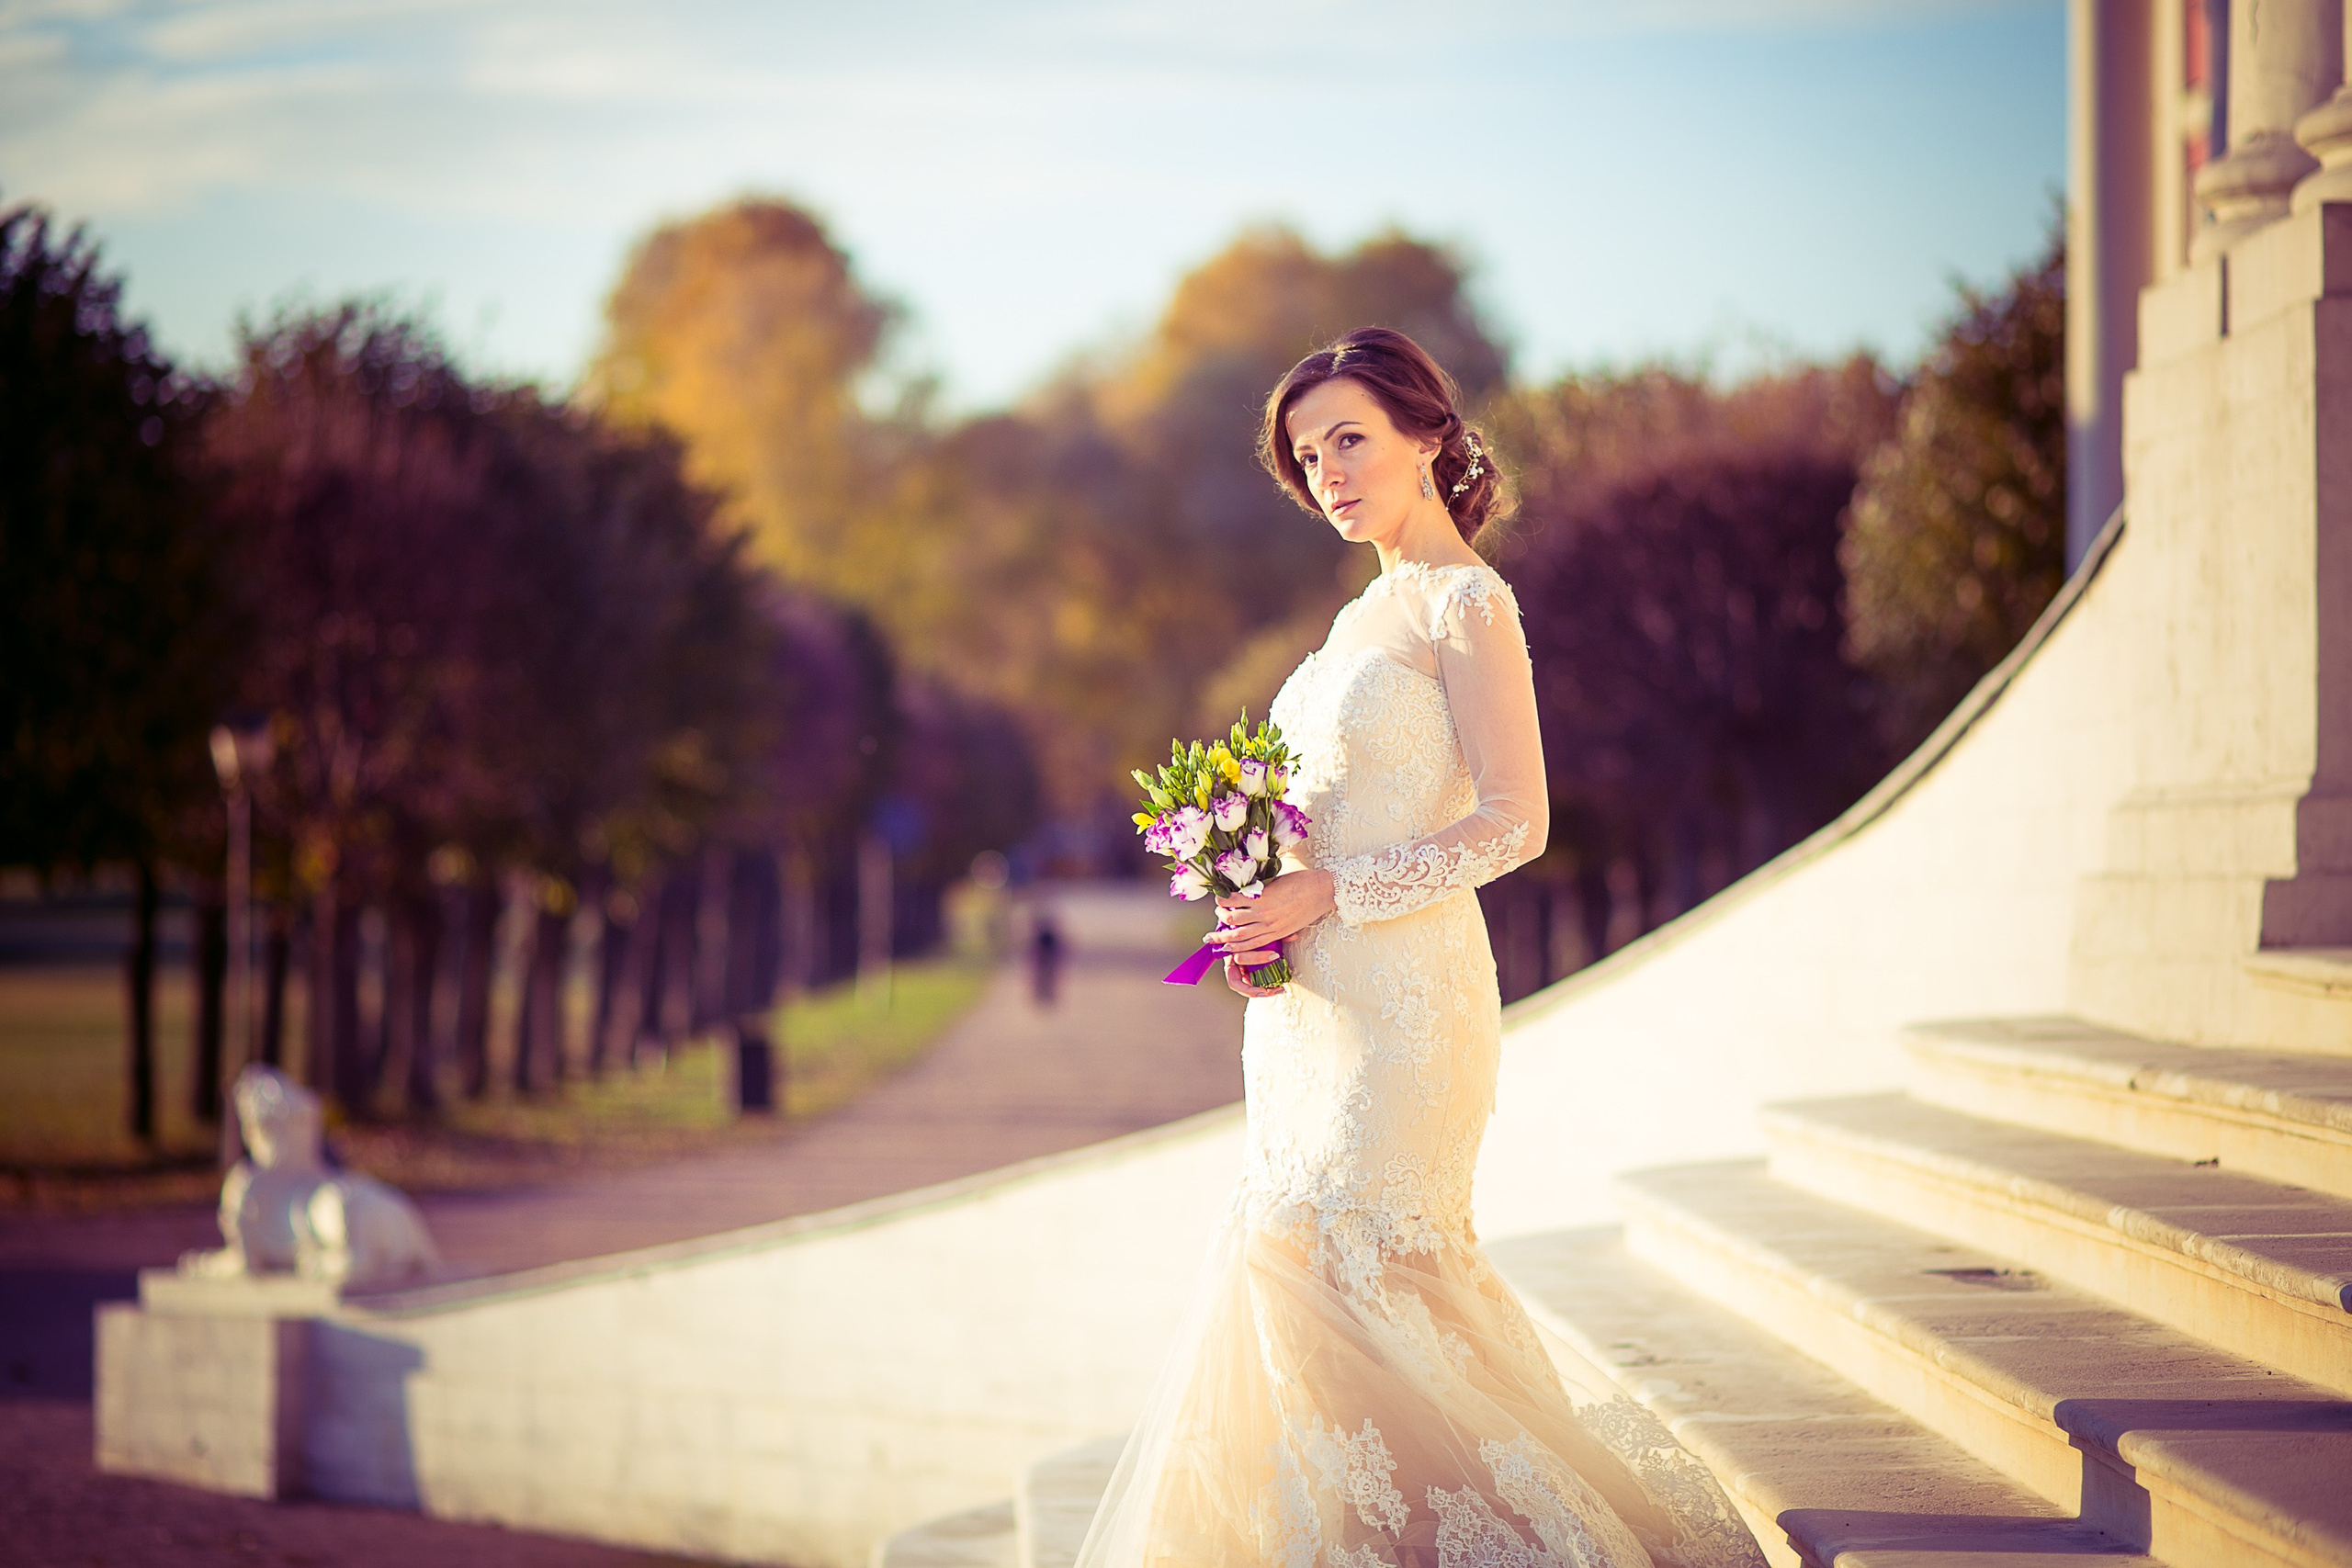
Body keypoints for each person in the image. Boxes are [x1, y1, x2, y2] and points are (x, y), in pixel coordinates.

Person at [1075, 329, 1761, 1567]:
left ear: (1429, 438)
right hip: (1308, 1016)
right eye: (1306, 453)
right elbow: (1321, 819)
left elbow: (1516, 822)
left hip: (1408, 1016)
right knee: (1287, 1262)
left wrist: (1331, 889)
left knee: (1347, 1262)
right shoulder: (1355, 618)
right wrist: (1263, 909)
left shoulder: (1468, 603)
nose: (1329, 472)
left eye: (1352, 439)